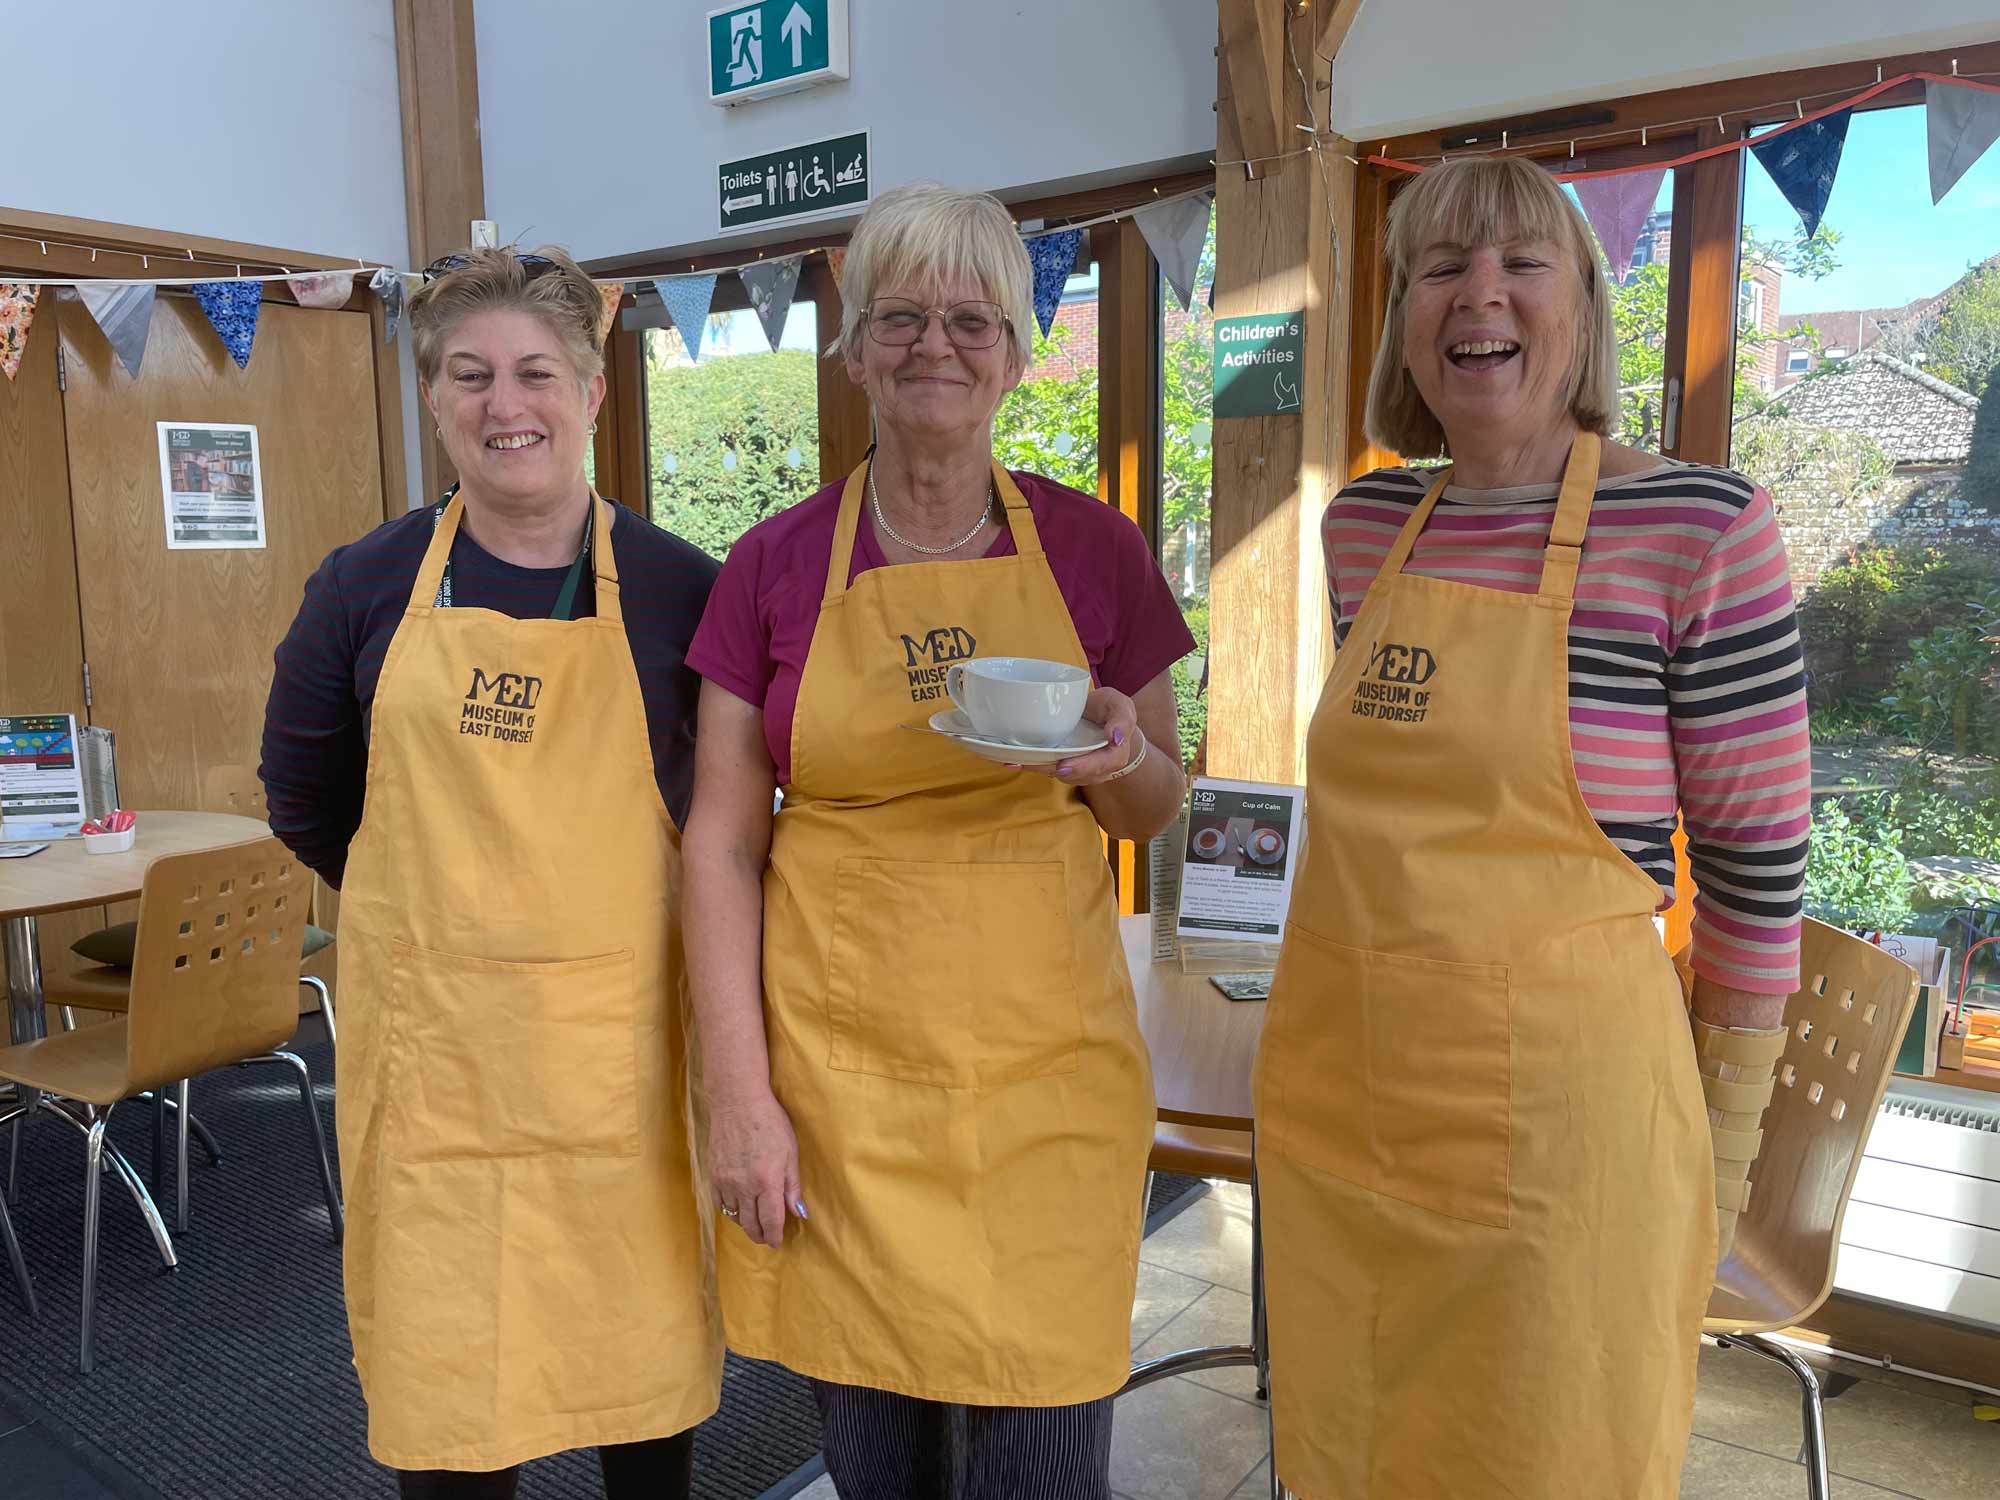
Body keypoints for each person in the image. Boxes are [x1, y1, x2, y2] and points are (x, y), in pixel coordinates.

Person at [1256, 156, 1809, 1498]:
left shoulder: (1701, 529)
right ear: (1403, 323)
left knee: (1551, 1454)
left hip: (1570, 1134)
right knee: (1354, 1442)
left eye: (1520, 264)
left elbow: (1754, 870)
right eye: (1440, 269)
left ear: (1583, 310)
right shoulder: (1367, 529)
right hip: (1351, 1107)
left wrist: (1725, 1152)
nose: (1478, 296)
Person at [682, 183, 1194, 1499]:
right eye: (899, 318)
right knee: (879, 1467)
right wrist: (740, 1103)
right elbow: (722, 844)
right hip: (846, 1091)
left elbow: (1154, 804)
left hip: (1046, 1086)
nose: (935, 346)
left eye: (972, 319)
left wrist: (1122, 756)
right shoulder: (774, 565)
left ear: (1019, 355)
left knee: (1042, 1462)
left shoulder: (1096, 551)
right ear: (853, 353)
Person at [259, 246, 723, 1498]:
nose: (502, 405)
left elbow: (737, 821)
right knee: (451, 1406)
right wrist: (443, 906)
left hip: (620, 1069)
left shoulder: (686, 593)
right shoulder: (361, 588)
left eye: (534, 373)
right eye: (469, 375)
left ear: (591, 392)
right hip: (441, 1076)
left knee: (641, 1403)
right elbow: (304, 797)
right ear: (431, 396)